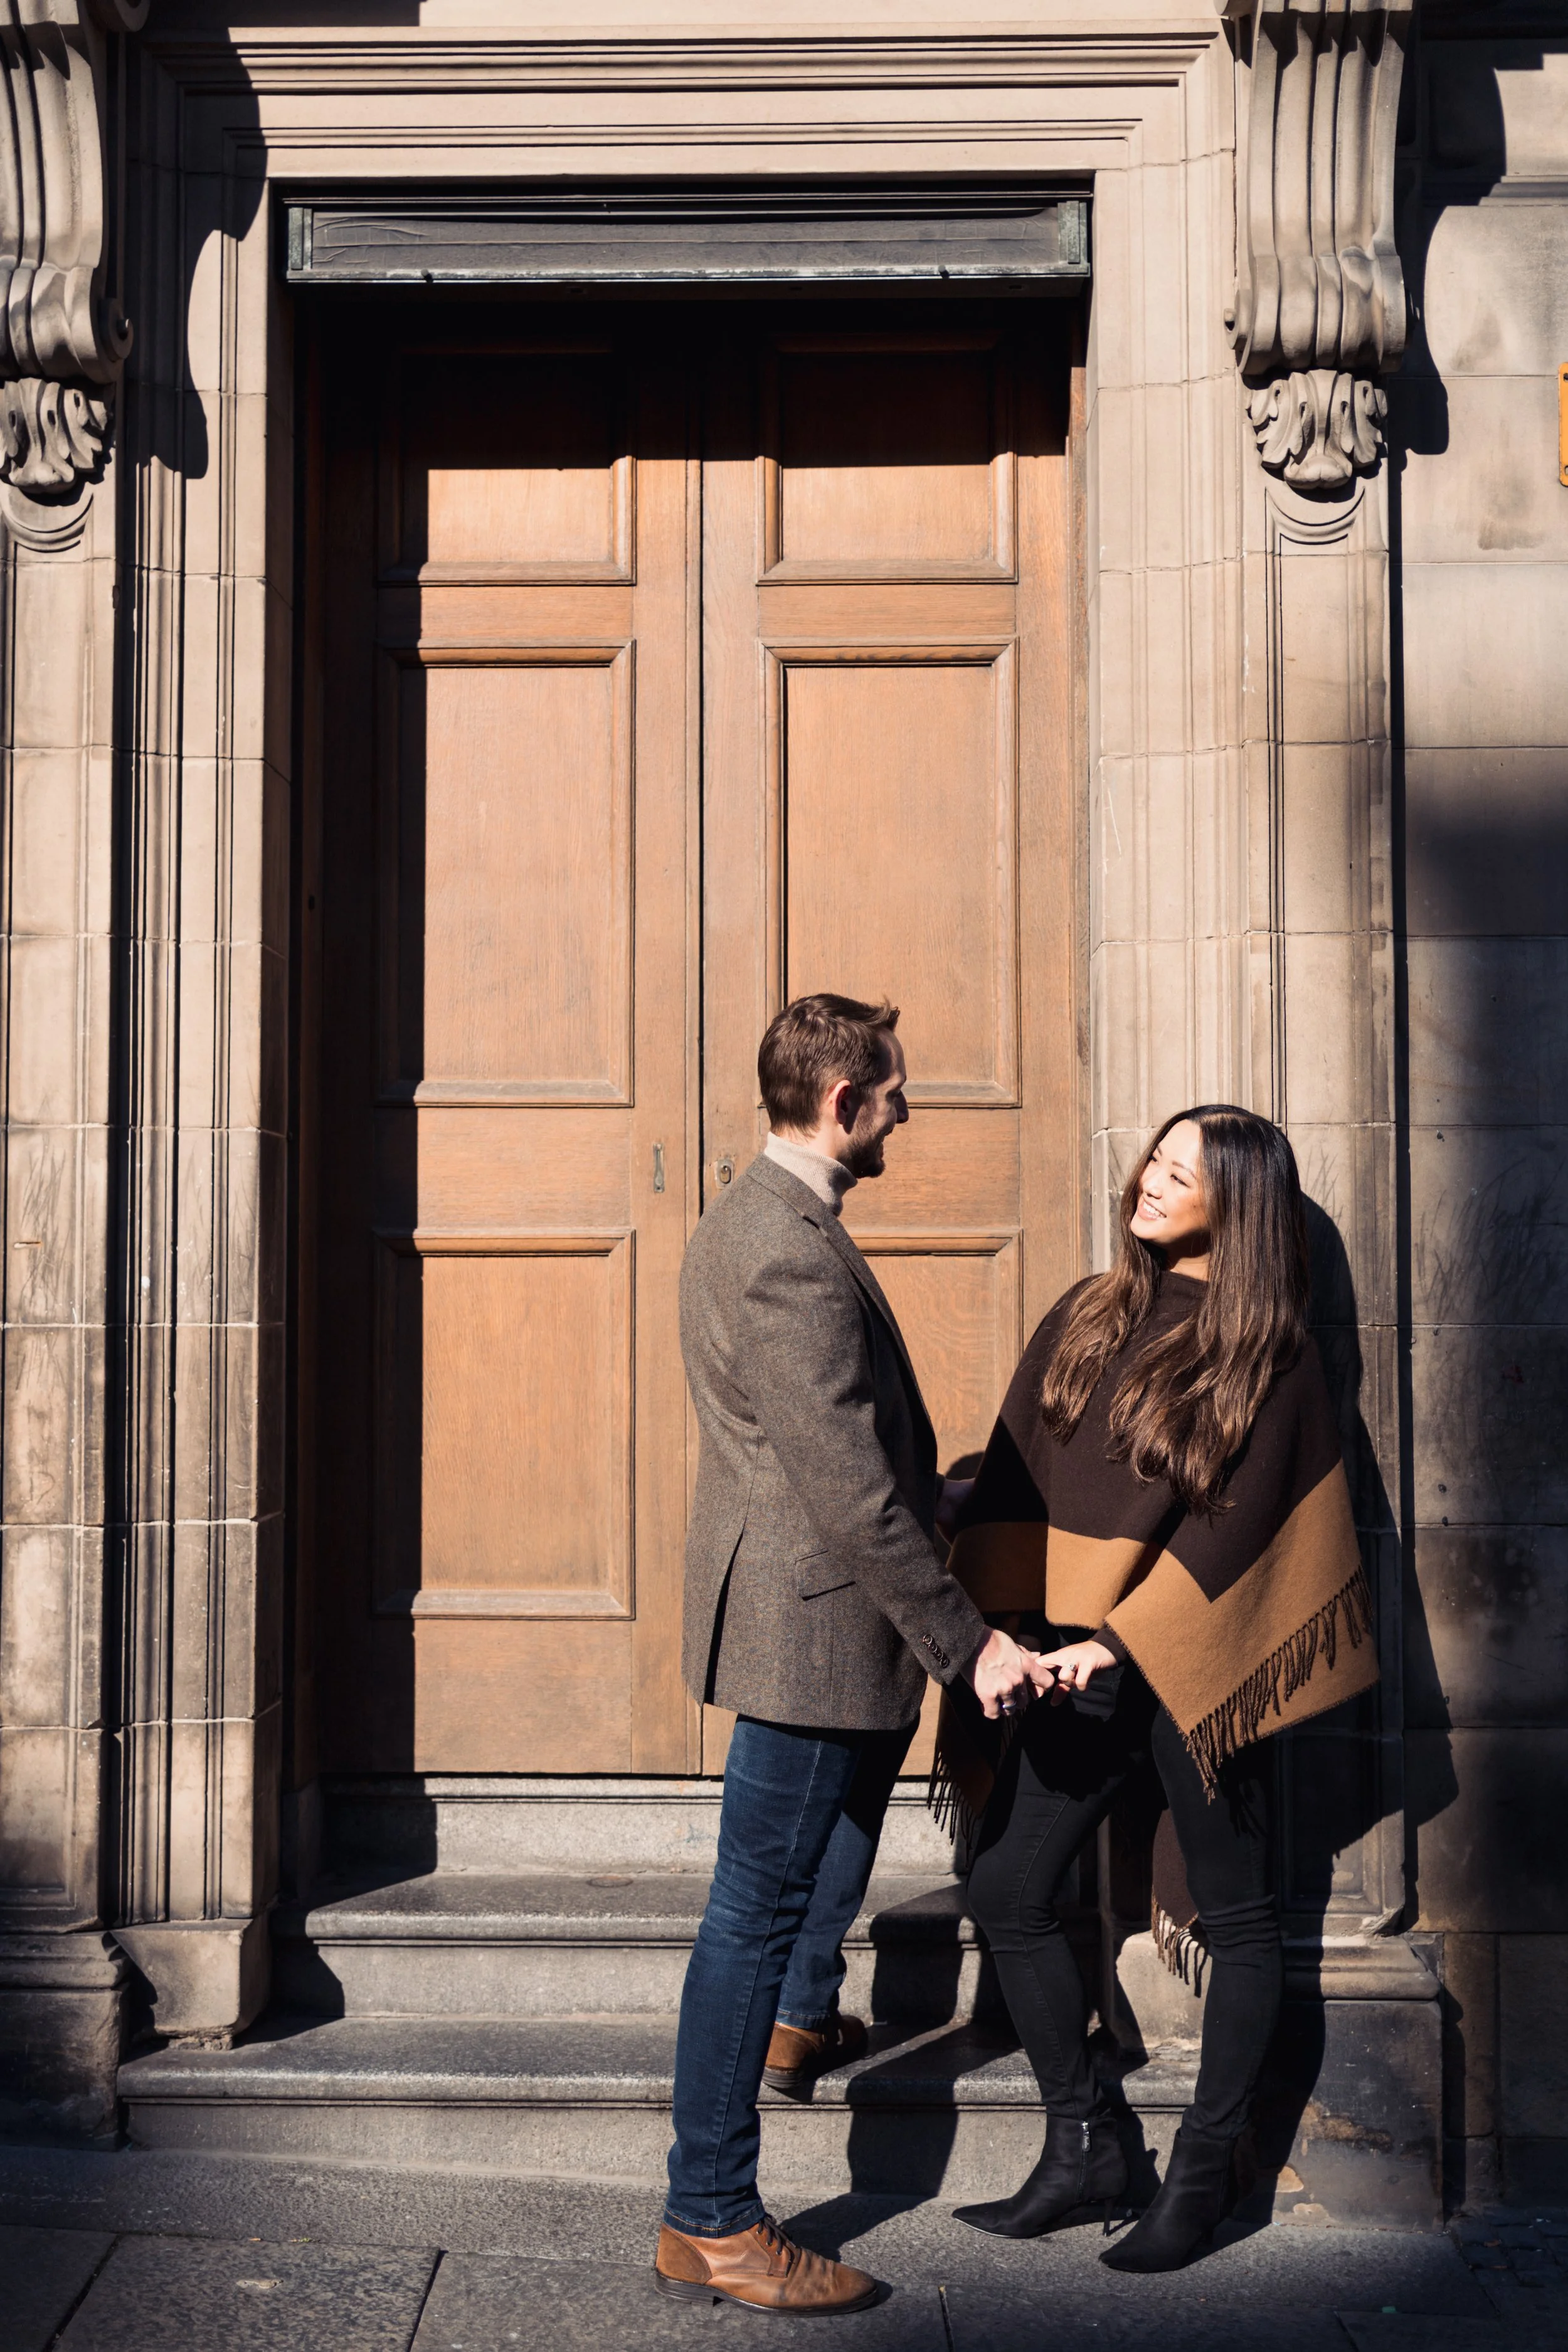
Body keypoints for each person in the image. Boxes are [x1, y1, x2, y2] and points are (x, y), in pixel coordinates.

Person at [933, 1104, 1379, 2272]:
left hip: (1196, 1668)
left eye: (1184, 1171)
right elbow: (1029, 1479)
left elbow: (1249, 1534)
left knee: (1241, 1922)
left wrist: (1128, 1642)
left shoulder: (1267, 1354)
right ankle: (1087, 2142)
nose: (1153, 1180)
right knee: (1006, 1886)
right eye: (1154, 1161)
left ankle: (1205, 2172)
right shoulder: (1087, 1311)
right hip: (1067, 1665)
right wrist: (995, 1620)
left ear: (1240, 1203)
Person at [656, 992, 1046, 2317]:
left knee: (813, 1875)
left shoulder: (782, 1222)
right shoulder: (778, 1247)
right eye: (893, 1092)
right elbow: (833, 1485)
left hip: (824, 1604)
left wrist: (928, 1496)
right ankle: (709, 2217)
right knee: (748, 1917)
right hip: (812, 1620)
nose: (905, 1110)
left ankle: (798, 2020)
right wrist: (968, 1646)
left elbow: (825, 1448)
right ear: (840, 1105)